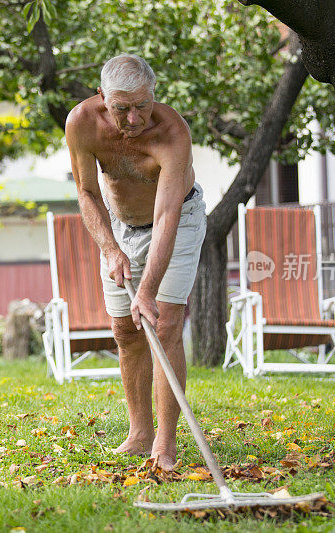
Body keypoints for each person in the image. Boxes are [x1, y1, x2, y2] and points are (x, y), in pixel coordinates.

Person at [65, 53, 206, 471]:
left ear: (154, 96)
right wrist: (110, 248)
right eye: (121, 108)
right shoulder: (81, 124)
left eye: (141, 106)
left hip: (177, 220)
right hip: (121, 225)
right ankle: (139, 433)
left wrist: (147, 290)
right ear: (101, 96)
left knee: (163, 322)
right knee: (125, 329)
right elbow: (87, 193)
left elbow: (167, 216)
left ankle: (165, 441)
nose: (132, 118)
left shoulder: (172, 133)